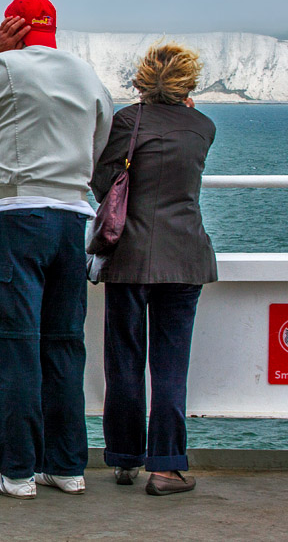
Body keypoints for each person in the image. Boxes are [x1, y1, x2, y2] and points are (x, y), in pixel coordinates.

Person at [0, 0, 113, 499]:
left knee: (11, 347)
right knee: (62, 345)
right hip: (73, 220)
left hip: (16, 217)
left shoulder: (3, 68)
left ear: (12, 25)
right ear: (53, 29)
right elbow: (100, 143)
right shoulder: (85, 75)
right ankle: (68, 467)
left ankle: (15, 473)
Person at [90, 42, 217, 496]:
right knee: (170, 366)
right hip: (186, 257)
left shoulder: (128, 121)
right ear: (189, 83)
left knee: (123, 360)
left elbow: (103, 182)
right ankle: (166, 468)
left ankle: (124, 457)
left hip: (128, 258)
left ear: (144, 79)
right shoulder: (203, 126)